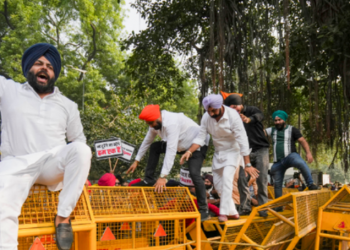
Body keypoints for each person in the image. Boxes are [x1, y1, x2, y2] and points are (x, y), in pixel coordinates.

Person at [0, 43, 92, 250]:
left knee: (81, 150)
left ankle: (63, 217)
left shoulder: (68, 105)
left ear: (55, 73)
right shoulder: (8, 89)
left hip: (52, 163)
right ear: (28, 68)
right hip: (16, 164)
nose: (44, 68)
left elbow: (78, 140)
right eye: (39, 63)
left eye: (50, 66)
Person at [180, 94, 259, 222]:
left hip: (234, 151)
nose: (211, 114)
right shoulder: (206, 117)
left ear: (221, 106)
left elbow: (243, 140)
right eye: (208, 111)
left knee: (227, 179)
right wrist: (189, 151)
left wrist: (248, 164)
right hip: (219, 153)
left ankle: (223, 213)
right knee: (218, 184)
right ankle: (232, 211)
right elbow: (200, 137)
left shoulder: (233, 116)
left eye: (213, 111)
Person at [126, 104, 210, 221]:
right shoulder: (154, 125)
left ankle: (204, 210)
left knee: (194, 173)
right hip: (181, 146)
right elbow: (146, 142)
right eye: (148, 124)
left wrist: (162, 177)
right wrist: (136, 160)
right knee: (155, 146)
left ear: (158, 118)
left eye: (151, 123)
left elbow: (171, 150)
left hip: (196, 145)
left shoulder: (172, 123)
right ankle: (149, 178)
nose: (151, 127)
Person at [224, 94, 269, 217]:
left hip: (260, 149)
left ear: (241, 104)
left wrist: (248, 119)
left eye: (236, 106)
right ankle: (245, 207)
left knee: (262, 179)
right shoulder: (231, 118)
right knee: (242, 179)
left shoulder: (252, 110)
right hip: (244, 152)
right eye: (231, 108)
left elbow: (260, 116)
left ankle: (263, 208)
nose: (235, 109)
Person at [265, 110, 317, 205]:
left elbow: (303, 141)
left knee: (301, 163)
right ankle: (278, 206)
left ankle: (310, 184)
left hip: (290, 156)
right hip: (278, 162)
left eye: (279, 120)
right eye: (275, 120)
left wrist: (308, 153)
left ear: (284, 120)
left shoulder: (292, 129)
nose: (277, 122)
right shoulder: (271, 130)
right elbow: (260, 133)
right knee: (277, 184)